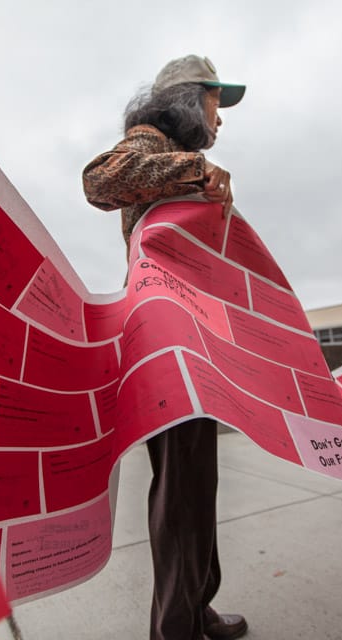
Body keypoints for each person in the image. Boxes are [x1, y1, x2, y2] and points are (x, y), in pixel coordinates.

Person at [82, 55, 248, 640]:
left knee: (197, 482)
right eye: (214, 103)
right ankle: (175, 630)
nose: (219, 120)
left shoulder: (183, 160)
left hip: (192, 336)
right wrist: (194, 171)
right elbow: (99, 180)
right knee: (182, 486)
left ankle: (196, 606)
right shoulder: (147, 140)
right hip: (166, 341)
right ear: (186, 99)